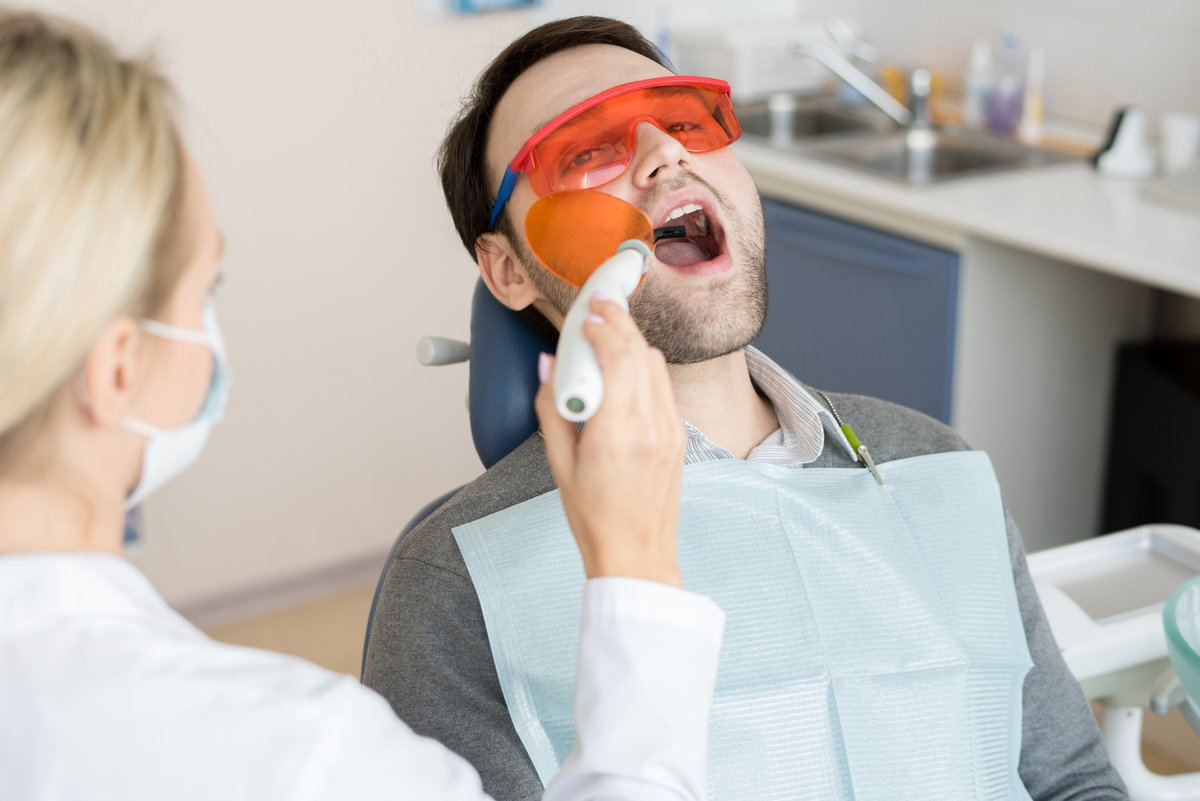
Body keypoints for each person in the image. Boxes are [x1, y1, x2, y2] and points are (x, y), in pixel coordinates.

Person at [362, 15, 1130, 801]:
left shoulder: (932, 465)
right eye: (587, 147)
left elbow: (1071, 779)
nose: (667, 153)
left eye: (685, 118)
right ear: (508, 270)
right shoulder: (454, 581)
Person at [0, 9, 727, 800]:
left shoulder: (888, 448)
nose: (669, 154)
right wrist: (638, 573)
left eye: (684, 119)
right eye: (203, 290)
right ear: (114, 370)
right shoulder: (288, 753)